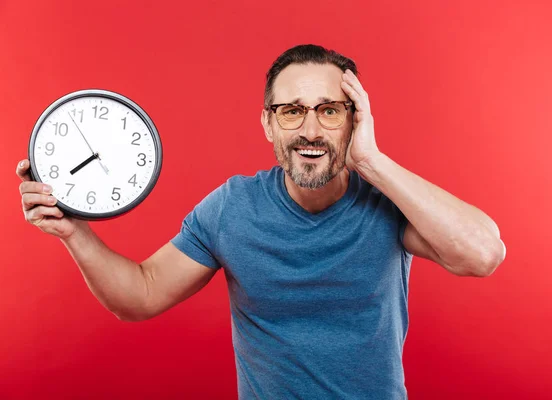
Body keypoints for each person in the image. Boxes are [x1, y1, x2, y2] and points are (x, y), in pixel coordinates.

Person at [17, 44, 506, 399]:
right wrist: (73, 230)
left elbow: (482, 255)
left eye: (330, 111)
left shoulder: (388, 202)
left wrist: (373, 161)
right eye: (292, 111)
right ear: (268, 123)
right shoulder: (232, 207)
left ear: (355, 121)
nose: (310, 130)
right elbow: (140, 296)